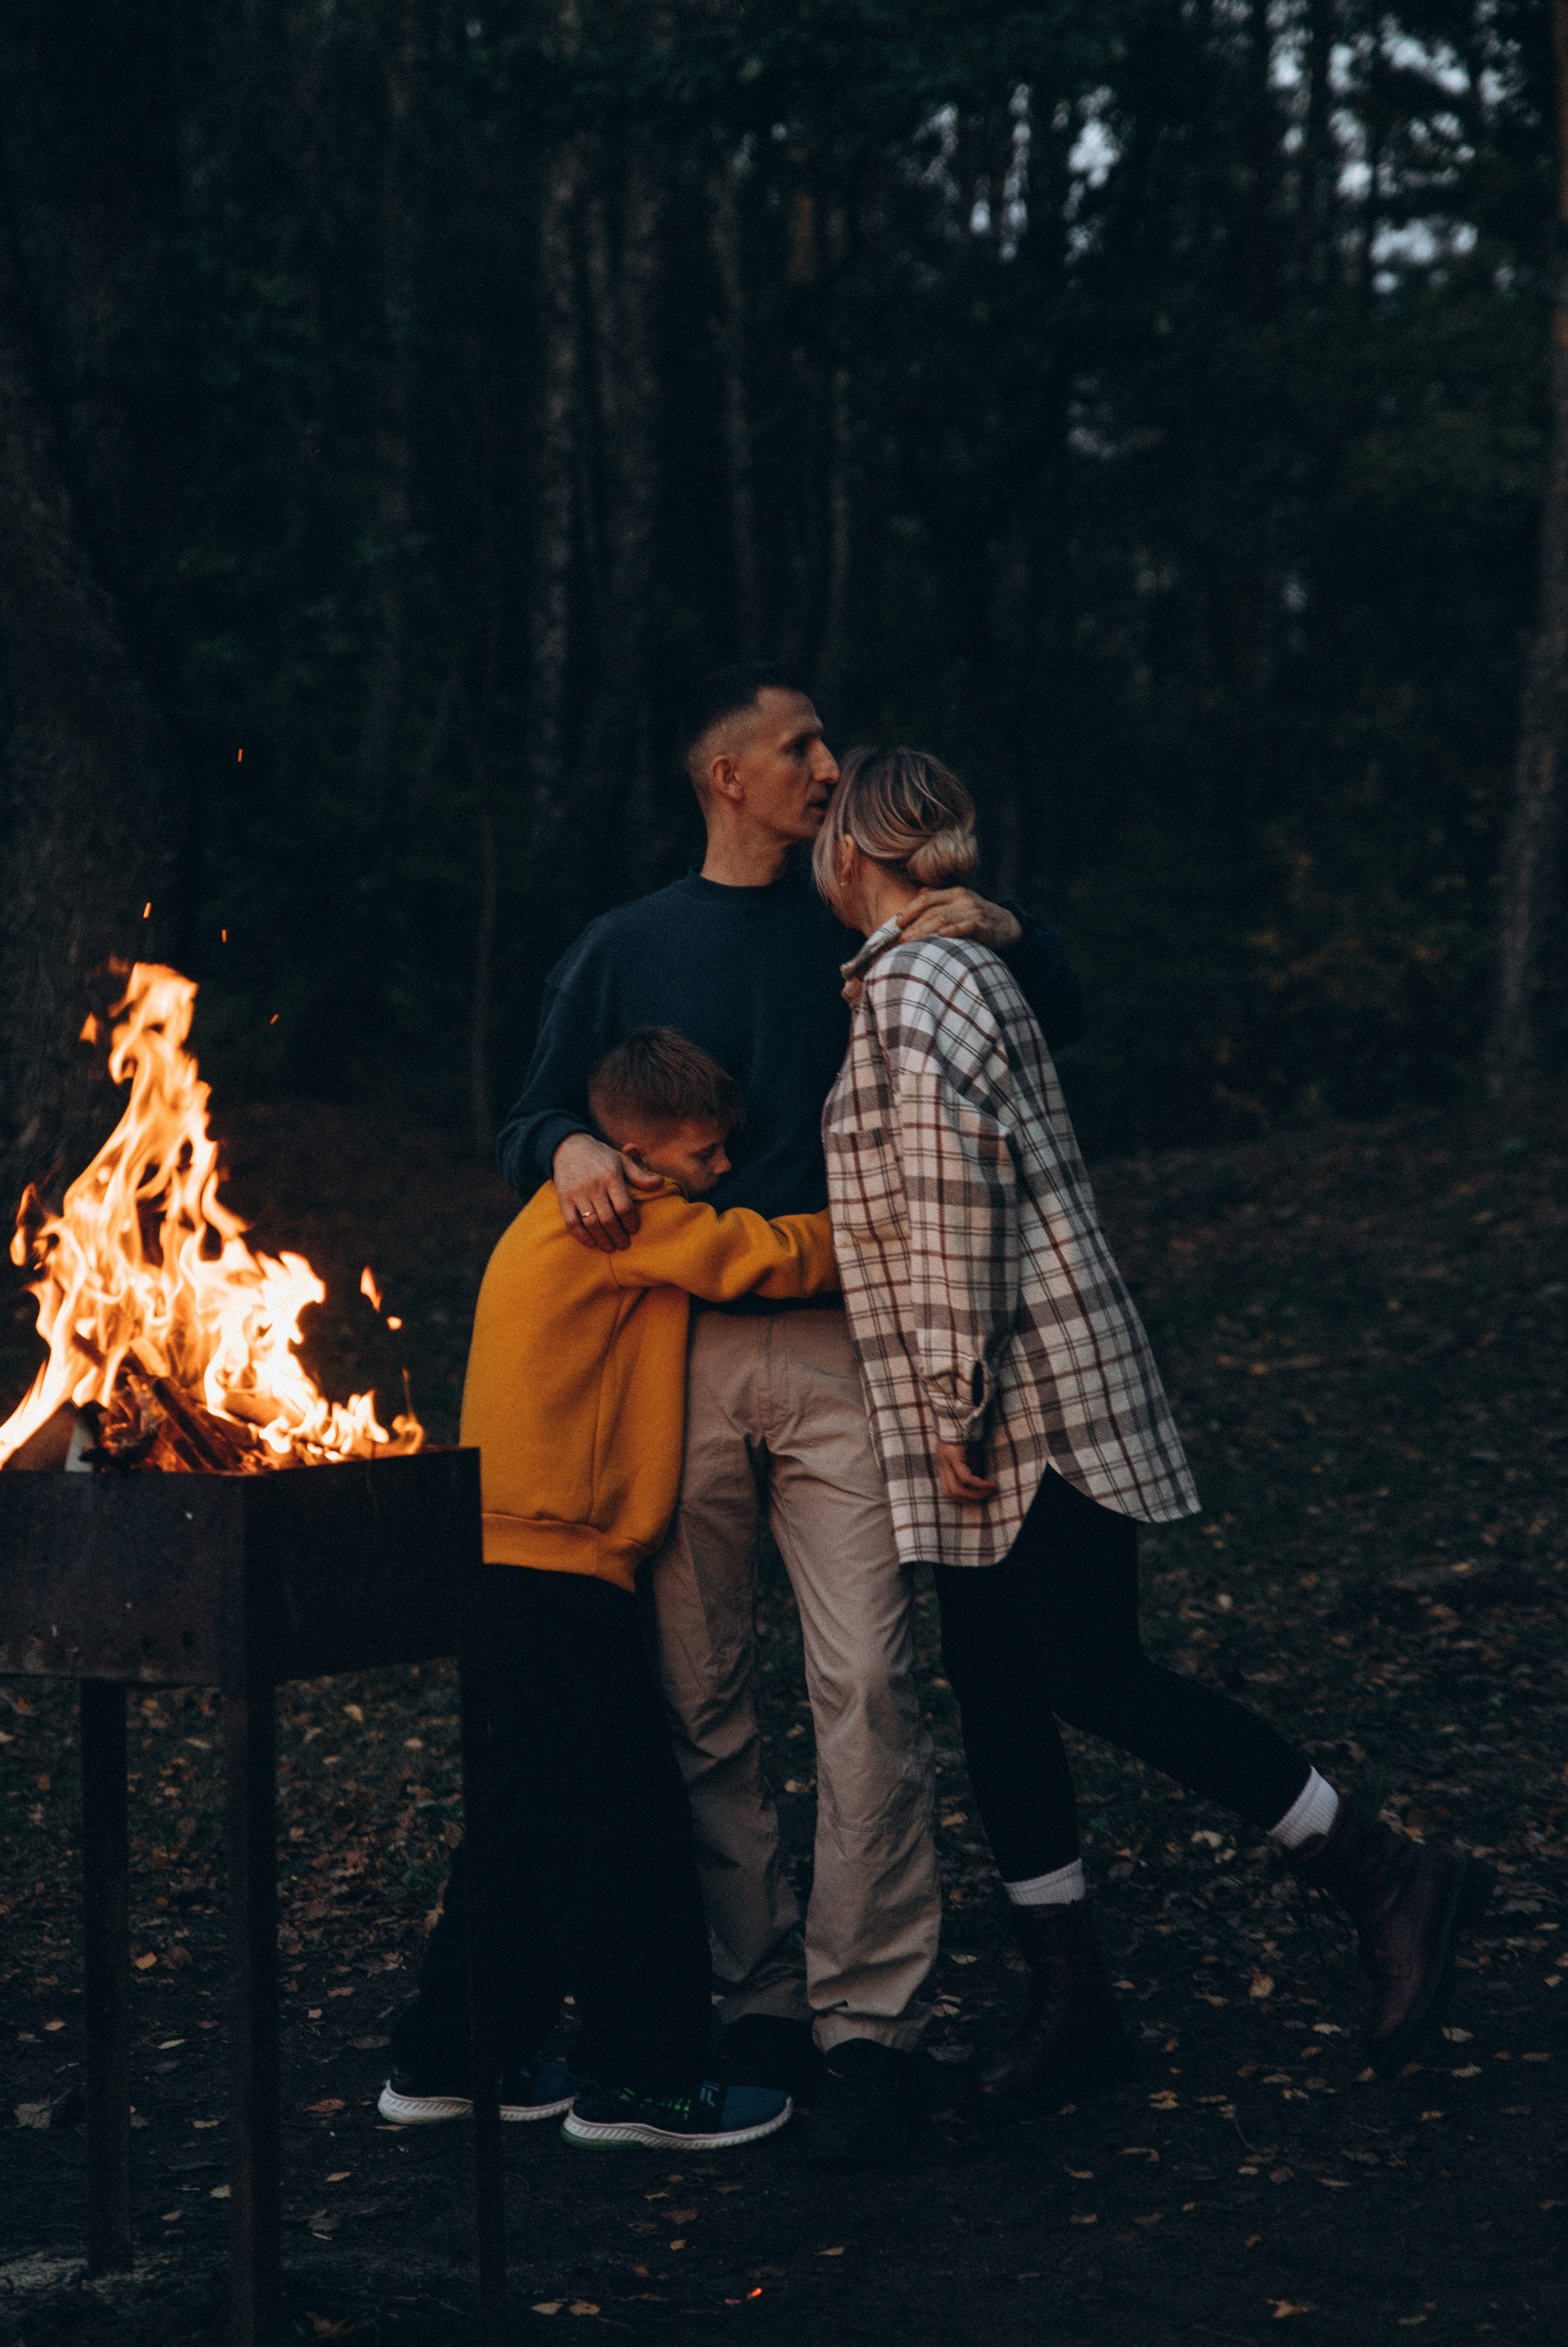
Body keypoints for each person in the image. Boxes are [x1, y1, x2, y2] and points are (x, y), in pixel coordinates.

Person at [815, 742, 1496, 2107]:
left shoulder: (914, 981)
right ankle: (1070, 2007)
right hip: (1000, 1404)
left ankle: (1374, 1866)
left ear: (858, 852)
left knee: (1083, 1669)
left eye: (834, 836)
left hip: (1021, 1406)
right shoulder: (943, 971)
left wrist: (954, 1397)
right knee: (998, 1684)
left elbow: (955, 1207)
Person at [496, 666, 1088, 2162]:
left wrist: (973, 916)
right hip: (670, 1357)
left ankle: (865, 2023)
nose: (829, 767)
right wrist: (566, 1140)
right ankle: (751, 1998)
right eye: (799, 747)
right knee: (698, 1696)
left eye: (827, 746)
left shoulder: (870, 924)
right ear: (725, 779)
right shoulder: (625, 945)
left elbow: (1046, 1010)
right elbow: (525, 1111)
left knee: (868, 1685)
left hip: (848, 1352)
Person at [381, 1027, 838, 2151]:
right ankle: (641, 2082)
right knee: (618, 1821)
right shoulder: (624, 1216)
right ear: (636, 1151)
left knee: (522, 1823)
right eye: (704, 1153)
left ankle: (453, 2059)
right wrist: (878, 1225)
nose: (721, 1170)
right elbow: (760, 1260)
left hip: (497, 1555)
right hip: (556, 1559)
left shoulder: (560, 1208)